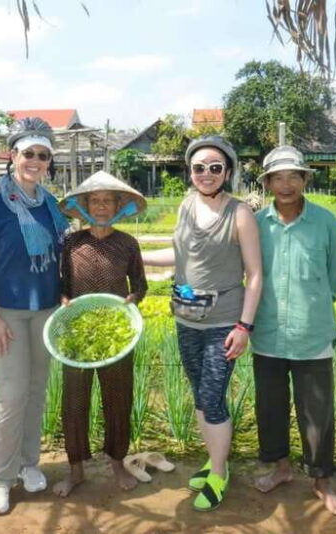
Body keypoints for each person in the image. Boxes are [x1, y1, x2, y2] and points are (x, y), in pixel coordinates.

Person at [143, 136, 262, 512]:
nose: (206, 174)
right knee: (200, 393)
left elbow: (255, 275)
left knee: (212, 397)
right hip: (186, 318)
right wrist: (135, 256)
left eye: (215, 168)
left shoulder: (239, 213)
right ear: (190, 172)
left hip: (223, 322)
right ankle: (213, 459)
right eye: (199, 168)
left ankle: (221, 473)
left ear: (227, 171)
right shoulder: (186, 206)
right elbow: (180, 257)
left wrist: (244, 327)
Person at [0, 117, 69, 515]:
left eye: (43, 155)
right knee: (10, 396)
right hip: (6, 312)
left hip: (44, 309)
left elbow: (60, 257)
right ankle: (0, 478)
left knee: (36, 391)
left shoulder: (50, 204)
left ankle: (29, 463)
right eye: (29, 153)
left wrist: (63, 295)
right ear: (13, 156)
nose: (36, 161)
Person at [250, 145, 336, 516]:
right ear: (268, 183)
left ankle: (322, 481)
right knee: (271, 408)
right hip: (268, 335)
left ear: (305, 180)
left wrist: (313, 306)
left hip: (312, 334)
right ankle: (281, 469)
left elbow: (335, 277)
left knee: (317, 412)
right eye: (278, 177)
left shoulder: (327, 223)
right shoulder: (256, 224)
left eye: (294, 176)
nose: (286, 184)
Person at [51, 171, 149, 498]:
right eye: (95, 200)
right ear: (85, 206)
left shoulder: (127, 243)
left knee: (118, 398)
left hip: (116, 335)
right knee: (74, 401)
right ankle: (75, 469)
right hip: (78, 335)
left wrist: (132, 301)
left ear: (119, 206)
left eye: (108, 200)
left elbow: (140, 285)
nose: (102, 206)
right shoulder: (72, 243)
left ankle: (117, 462)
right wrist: (64, 300)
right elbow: (62, 286)